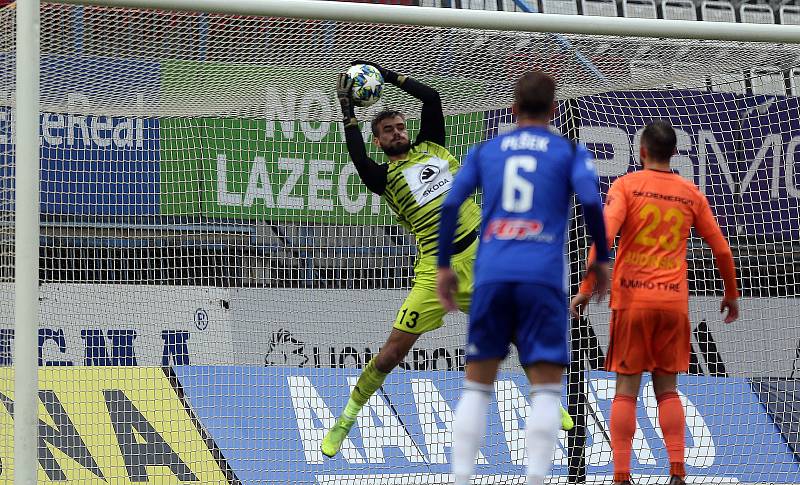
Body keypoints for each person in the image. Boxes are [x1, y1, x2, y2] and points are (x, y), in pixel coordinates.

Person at [322, 62, 574, 458]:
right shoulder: (383, 178)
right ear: (378, 142)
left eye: (399, 127)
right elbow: (356, 156)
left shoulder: (433, 147)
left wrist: (390, 76)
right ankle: (346, 419)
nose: (396, 133)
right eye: (387, 131)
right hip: (435, 271)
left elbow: (432, 97)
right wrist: (347, 110)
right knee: (392, 352)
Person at [437, 70, 611, 485]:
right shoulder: (569, 152)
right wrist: (601, 259)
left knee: (477, 385)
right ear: (554, 110)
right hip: (543, 280)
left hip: (493, 276)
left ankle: (460, 478)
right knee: (547, 389)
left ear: (511, 108)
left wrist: (444, 264)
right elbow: (591, 202)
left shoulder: (486, 150)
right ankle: (535, 478)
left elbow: (451, 205)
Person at [570, 120, 740, 485]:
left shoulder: (627, 186)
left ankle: (621, 475)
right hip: (673, 304)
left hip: (632, 300)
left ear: (642, 151)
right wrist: (731, 292)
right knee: (667, 389)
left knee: (626, 389)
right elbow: (722, 248)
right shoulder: (689, 192)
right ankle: (677, 471)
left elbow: (605, 238)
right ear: (674, 154)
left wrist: (587, 285)